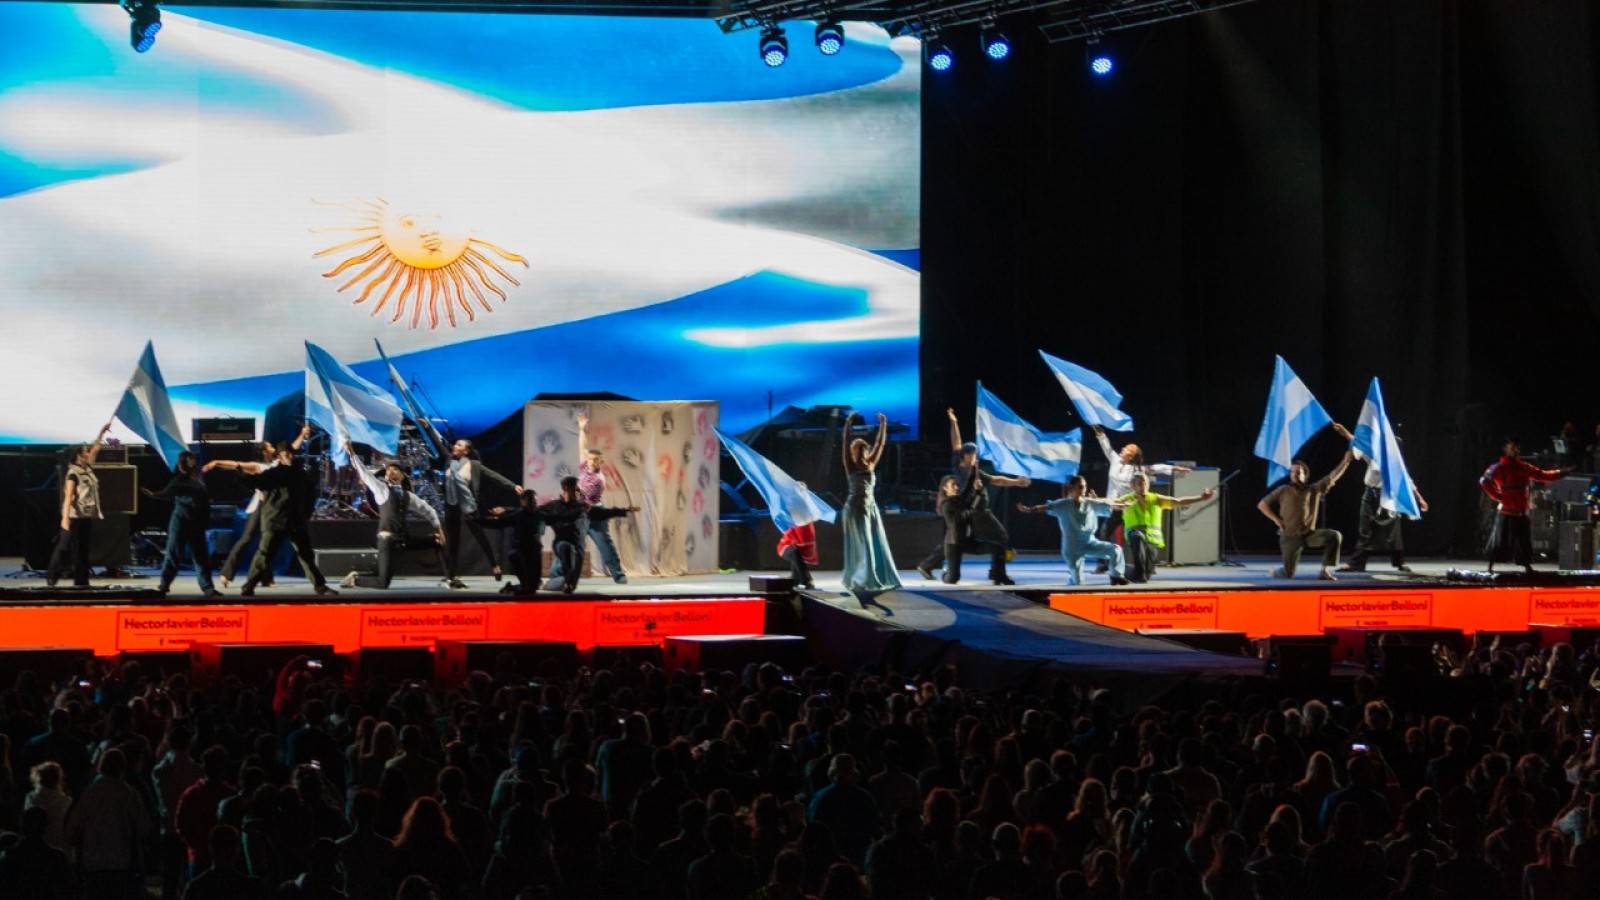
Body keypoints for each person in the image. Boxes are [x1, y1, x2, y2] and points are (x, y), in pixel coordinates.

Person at [204, 445, 336, 597]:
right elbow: (254, 482)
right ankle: (249, 586)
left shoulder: (299, 475)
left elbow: (309, 497)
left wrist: (304, 516)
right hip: (275, 520)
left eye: (291, 454)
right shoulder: (273, 474)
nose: (291, 456)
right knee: (264, 554)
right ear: (280, 457)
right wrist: (239, 473)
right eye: (287, 454)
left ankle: (320, 586)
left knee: (305, 554)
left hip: (294, 521)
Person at [342, 443, 449, 589]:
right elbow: (364, 473)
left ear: (402, 475)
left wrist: (438, 528)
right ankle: (355, 580)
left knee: (437, 540)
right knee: (383, 583)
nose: (390, 471)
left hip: (404, 539)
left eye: (395, 469)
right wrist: (352, 453)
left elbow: (428, 510)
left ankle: (450, 579)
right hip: (388, 541)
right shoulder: (381, 490)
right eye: (388, 470)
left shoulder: (408, 496)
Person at [944, 407, 1031, 585]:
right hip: (973, 512)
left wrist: (1016, 482)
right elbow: (956, 443)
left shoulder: (976, 471)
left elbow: (997, 480)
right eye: (972, 453)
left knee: (997, 541)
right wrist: (953, 421)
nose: (975, 456)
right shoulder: (961, 469)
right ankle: (995, 573)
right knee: (999, 537)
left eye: (975, 453)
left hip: (975, 512)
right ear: (965, 455)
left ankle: (996, 573)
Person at [1257, 423, 1354, 581]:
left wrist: (1346, 461)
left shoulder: (1314, 489)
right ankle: (1275, 571)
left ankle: (1324, 570)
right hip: (1289, 536)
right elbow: (1262, 504)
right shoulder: (1283, 490)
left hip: (1309, 535)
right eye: (1292, 472)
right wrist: (1276, 520)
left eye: (1298, 472)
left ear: (1305, 475)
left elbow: (1332, 476)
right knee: (1288, 574)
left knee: (1334, 536)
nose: (1294, 474)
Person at [219, 422, 310, 588]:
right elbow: (236, 464)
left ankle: (267, 579)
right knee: (247, 538)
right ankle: (226, 573)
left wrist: (303, 434)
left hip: (272, 507)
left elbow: (291, 448)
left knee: (267, 544)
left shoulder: (278, 463)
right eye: (269, 446)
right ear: (264, 452)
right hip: (260, 506)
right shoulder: (258, 466)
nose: (273, 447)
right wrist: (216, 462)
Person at [439, 438, 522, 588]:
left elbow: (493, 476)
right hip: (452, 506)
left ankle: (494, 565)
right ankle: (451, 576)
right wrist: (427, 428)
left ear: (466, 450)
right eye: (455, 444)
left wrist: (513, 486)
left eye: (459, 444)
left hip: (468, 506)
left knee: (480, 536)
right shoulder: (449, 460)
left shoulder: (474, 465)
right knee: (453, 543)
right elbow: (438, 445)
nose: (455, 446)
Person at [1016, 476, 1130, 586]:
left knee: (1115, 550)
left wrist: (1122, 505)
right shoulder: (1064, 504)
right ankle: (1072, 580)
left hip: (1090, 544)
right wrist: (1029, 509)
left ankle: (1116, 577)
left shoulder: (1090, 503)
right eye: (1080, 487)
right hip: (1072, 549)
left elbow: (1110, 504)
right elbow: (1046, 507)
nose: (1083, 490)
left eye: (1084, 487)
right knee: (1077, 582)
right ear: (1071, 488)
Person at [1091, 424, 1187, 553]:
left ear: (1131, 456)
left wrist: (1174, 468)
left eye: (1127, 449)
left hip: (1130, 506)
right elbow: (1106, 447)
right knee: (1104, 532)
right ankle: (1104, 561)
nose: (1123, 449)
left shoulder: (1136, 469)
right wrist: (1100, 434)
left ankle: (1144, 558)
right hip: (1115, 505)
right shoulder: (1115, 460)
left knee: (1135, 536)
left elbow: (1154, 468)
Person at [1480, 437, 1565, 575]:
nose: (1516, 450)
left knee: (1523, 541)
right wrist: (1498, 496)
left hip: (1520, 510)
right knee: (1499, 540)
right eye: (1512, 447)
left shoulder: (1523, 467)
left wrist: (1560, 473)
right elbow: (1484, 481)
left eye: (1517, 448)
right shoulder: (1498, 467)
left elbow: (1541, 474)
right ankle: (1490, 567)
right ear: (1506, 449)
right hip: (1506, 511)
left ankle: (1527, 567)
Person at [839, 411, 902, 595]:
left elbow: (880, 444)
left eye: (862, 448)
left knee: (875, 543)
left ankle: (876, 576)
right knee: (862, 544)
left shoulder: (871, 463)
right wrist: (848, 423)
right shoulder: (850, 465)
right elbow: (844, 444)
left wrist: (883, 424)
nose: (860, 451)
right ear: (853, 452)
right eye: (856, 449)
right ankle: (863, 578)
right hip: (855, 508)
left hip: (870, 508)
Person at [142, 451, 220, 597]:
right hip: (181, 521)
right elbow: (168, 493)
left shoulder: (197, 479)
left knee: (200, 557)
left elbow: (201, 501)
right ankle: (164, 586)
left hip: (196, 522)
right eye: (190, 462)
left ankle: (208, 588)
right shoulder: (180, 480)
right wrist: (154, 495)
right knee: (175, 554)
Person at [538, 476, 635, 594]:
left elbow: (602, 513)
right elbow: (536, 513)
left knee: (570, 584)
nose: (579, 491)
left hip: (578, 549)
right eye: (576, 489)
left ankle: (555, 583)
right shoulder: (555, 506)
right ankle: (558, 579)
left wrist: (624, 511)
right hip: (562, 544)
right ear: (567, 490)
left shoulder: (582, 506)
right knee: (567, 549)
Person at [46, 420, 112, 588]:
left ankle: (81, 581)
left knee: (83, 550)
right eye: (85, 451)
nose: (88, 453)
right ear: (78, 456)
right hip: (74, 517)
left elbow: (96, 449)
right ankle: (52, 576)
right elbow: (68, 497)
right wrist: (65, 519)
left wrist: (102, 433)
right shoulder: (73, 474)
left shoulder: (87, 469)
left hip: (86, 516)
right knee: (64, 547)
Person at [1339, 452, 1428, 574]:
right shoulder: (1373, 454)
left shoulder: (1396, 462)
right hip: (1370, 495)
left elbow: (1408, 481)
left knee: (1393, 532)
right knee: (1365, 529)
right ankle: (1356, 563)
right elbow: (1359, 446)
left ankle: (1400, 562)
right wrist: (1347, 439)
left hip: (1388, 497)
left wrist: (1420, 499)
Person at [1119, 472, 1215, 583]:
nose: (1143, 486)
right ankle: (1139, 574)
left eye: (1145, 483)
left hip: (1152, 539)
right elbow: (1115, 505)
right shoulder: (1127, 499)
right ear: (1133, 486)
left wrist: (1201, 498)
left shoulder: (1156, 499)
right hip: (1134, 534)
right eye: (1140, 483)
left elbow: (1178, 501)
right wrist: (1119, 505)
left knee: (1146, 573)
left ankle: (1125, 571)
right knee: (1138, 537)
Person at [573, 411, 628, 584]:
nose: (592, 461)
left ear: (600, 462)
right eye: (590, 459)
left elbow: (585, 496)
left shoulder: (599, 479)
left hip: (594, 513)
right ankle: (557, 573)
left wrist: (574, 495)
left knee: (604, 544)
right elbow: (583, 449)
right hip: (581, 512)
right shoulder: (585, 468)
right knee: (571, 542)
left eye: (596, 459)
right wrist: (582, 430)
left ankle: (618, 574)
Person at [485, 491, 543, 595]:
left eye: (534, 501)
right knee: (527, 589)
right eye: (530, 500)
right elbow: (499, 523)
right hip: (521, 552)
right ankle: (518, 586)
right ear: (524, 502)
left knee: (531, 589)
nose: (533, 503)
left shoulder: (539, 513)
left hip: (534, 552)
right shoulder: (519, 514)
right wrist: (476, 520)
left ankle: (512, 587)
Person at [776, 487, 818, 589]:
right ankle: (806, 580)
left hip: (801, 544)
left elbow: (813, 511)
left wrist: (803, 492)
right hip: (787, 544)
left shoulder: (808, 510)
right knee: (794, 552)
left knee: (796, 553)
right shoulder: (792, 509)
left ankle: (795, 578)